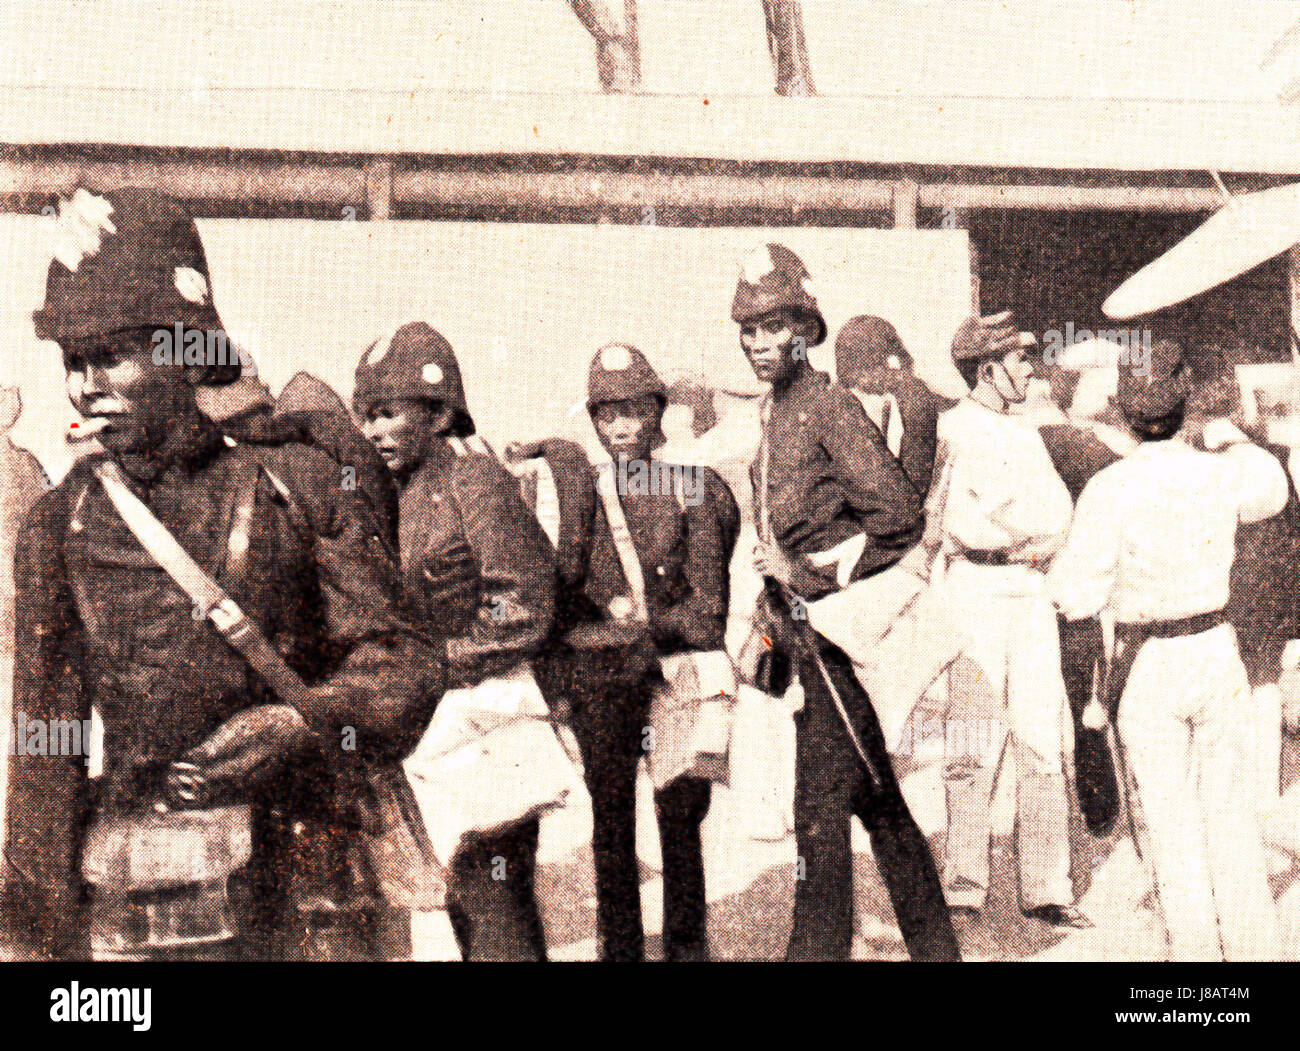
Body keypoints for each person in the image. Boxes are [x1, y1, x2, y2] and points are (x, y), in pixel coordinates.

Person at [2, 188, 445, 960]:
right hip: (151, 895)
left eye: (112, 356)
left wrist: (307, 720)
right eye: (75, 361)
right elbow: (48, 744)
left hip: (314, 885)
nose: (84, 388)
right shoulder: (60, 524)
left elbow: (403, 659)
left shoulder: (295, 485)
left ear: (181, 349)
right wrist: (37, 938)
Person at [734, 243, 960, 961]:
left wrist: (813, 575)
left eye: (776, 326)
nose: (761, 342)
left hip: (831, 639)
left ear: (806, 328)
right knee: (878, 803)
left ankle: (819, 951)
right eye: (749, 328)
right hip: (800, 644)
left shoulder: (830, 406)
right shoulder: (775, 412)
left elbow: (899, 517)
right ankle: (936, 949)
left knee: (819, 815)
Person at [1048, 338, 1286, 960]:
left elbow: (1073, 595)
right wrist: (1223, 434)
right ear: (1185, 408)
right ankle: (1257, 959)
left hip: (1147, 657)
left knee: (1170, 824)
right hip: (1216, 648)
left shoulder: (1110, 487)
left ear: (1123, 414)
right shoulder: (1223, 471)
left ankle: (1196, 969)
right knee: (1230, 816)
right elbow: (1274, 489)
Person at [354, 321, 556, 961]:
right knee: (468, 901)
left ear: (440, 413)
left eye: (388, 414)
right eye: (368, 417)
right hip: (441, 722)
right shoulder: (400, 491)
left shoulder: (477, 482)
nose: (375, 431)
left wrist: (438, 661)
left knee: (493, 894)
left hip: (492, 714)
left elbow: (525, 607)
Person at [534, 343, 739, 961]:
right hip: (604, 682)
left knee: (680, 822)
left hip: (671, 672)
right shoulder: (579, 493)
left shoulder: (697, 488)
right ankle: (618, 949)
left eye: (633, 411)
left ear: (658, 412)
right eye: (605, 414)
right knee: (611, 827)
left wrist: (618, 631)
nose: (620, 427)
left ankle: (687, 948)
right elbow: (564, 591)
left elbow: (707, 616)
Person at [930, 312, 1088, 928]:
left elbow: (1060, 514)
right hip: (972, 586)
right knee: (971, 745)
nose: (1028, 367)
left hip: (1027, 588)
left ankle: (1048, 887)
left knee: (1042, 739)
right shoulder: (951, 429)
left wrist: (1035, 531)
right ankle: (964, 884)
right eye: (1017, 359)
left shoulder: (1026, 431)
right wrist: (1029, 527)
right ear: (986, 368)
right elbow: (970, 517)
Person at [834, 315, 944, 498]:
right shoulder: (845, 403)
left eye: (860, 375)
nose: (859, 385)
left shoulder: (914, 398)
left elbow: (914, 486)